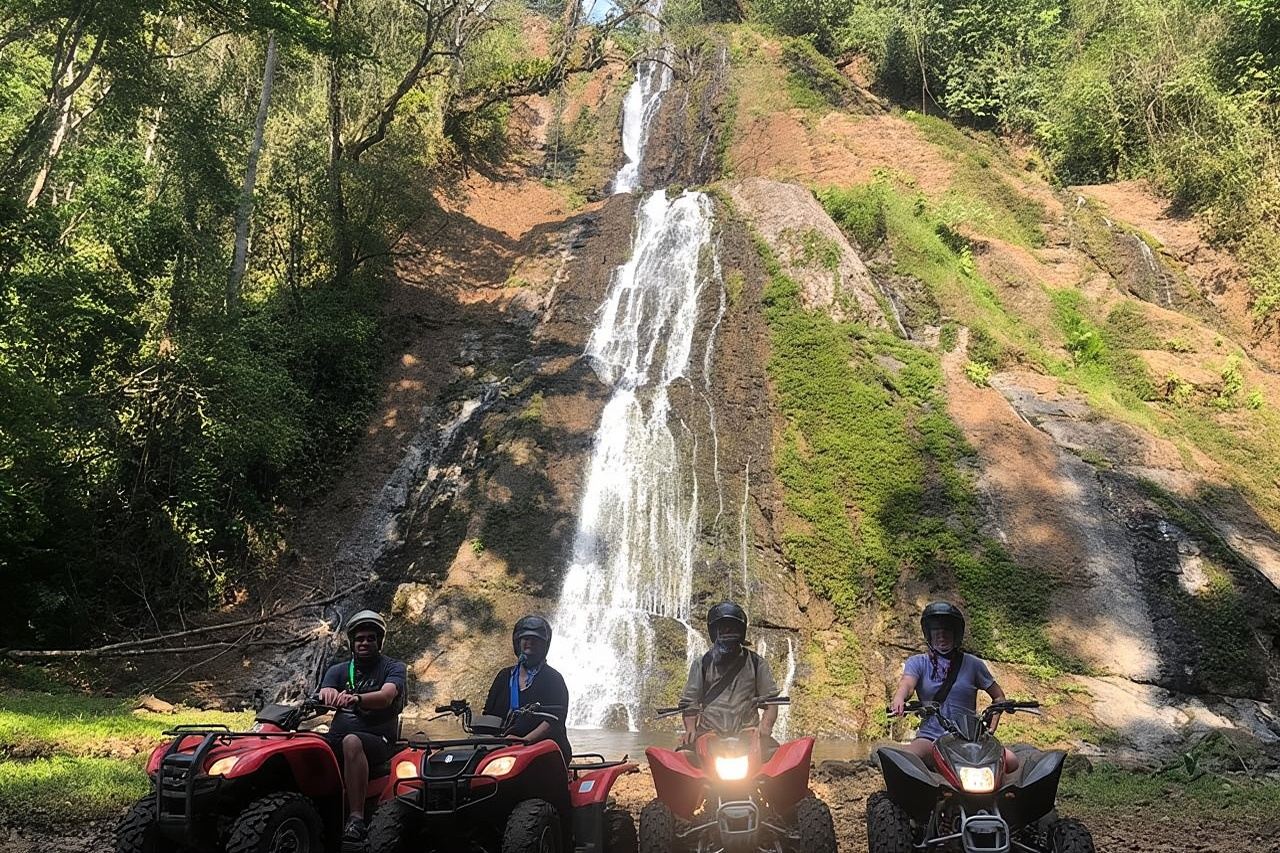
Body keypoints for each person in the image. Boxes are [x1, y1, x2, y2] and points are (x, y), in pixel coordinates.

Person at [888, 601, 1019, 773]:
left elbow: (998, 696)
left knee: (1012, 761)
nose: (942, 635)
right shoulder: (918, 662)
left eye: (947, 630)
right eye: (936, 630)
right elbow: (907, 684)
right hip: (931, 737)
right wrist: (899, 697)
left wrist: (992, 724)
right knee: (906, 760)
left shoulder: (973, 664)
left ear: (956, 634)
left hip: (969, 737)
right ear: (929, 634)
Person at [318, 609, 407, 844]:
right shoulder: (338, 670)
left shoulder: (394, 667)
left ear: (379, 641)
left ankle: (356, 818)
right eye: (359, 639)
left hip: (377, 740)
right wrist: (326, 693)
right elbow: (324, 692)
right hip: (336, 737)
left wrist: (357, 698)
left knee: (352, 740)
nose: (365, 642)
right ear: (352, 643)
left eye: (370, 638)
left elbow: (387, 696)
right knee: (307, 742)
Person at [678, 601, 780, 750]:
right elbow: (689, 702)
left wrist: (766, 726)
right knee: (681, 759)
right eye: (723, 629)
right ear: (714, 632)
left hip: (748, 735)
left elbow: (771, 700)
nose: (727, 633)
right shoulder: (701, 664)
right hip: (707, 734)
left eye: (732, 628)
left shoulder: (757, 663)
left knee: (779, 760)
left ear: (741, 632)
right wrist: (690, 728)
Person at [483, 615, 572, 763]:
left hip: (543, 750)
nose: (530, 642)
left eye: (536, 640)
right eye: (526, 639)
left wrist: (524, 741)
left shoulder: (553, 678)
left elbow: (554, 721)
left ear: (544, 645)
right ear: (518, 643)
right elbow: (490, 715)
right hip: (504, 747)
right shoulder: (504, 676)